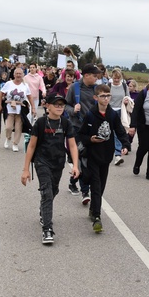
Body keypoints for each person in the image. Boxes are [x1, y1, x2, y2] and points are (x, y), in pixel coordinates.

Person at [21, 93, 80, 244]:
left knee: (53, 191)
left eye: (62, 105)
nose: (60, 107)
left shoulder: (66, 123)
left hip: (58, 162)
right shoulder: (40, 123)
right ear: (48, 106)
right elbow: (32, 146)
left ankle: (43, 210)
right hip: (42, 162)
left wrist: (75, 166)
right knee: (47, 192)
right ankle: (47, 229)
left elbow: (72, 145)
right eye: (56, 104)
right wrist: (26, 169)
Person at [79, 84, 130, 233]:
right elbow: (81, 135)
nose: (106, 99)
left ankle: (94, 207)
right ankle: (97, 217)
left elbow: (120, 131)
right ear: (96, 98)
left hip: (106, 156)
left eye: (108, 96)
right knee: (95, 185)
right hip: (93, 155)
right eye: (103, 96)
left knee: (101, 187)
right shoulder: (90, 115)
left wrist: (125, 145)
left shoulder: (112, 115)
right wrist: (91, 140)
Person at [65, 63, 101, 203]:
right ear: (86, 75)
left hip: (92, 129)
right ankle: (85, 191)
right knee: (82, 159)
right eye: (94, 76)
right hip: (77, 128)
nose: (97, 78)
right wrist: (73, 109)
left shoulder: (97, 89)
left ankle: (73, 181)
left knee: (89, 160)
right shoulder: (74, 88)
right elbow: (65, 105)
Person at [0, 68, 35, 152]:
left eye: (20, 74)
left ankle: (15, 143)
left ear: (22, 75)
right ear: (14, 75)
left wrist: (33, 108)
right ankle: (8, 138)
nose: (18, 75)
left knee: (18, 127)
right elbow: (0, 93)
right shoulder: (9, 84)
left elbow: (29, 96)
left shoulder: (25, 85)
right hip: (9, 108)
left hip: (20, 110)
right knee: (8, 127)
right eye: (16, 73)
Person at [109, 68, 131, 165]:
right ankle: (109, 152)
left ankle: (117, 154)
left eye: (118, 78)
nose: (116, 80)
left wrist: (126, 100)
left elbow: (128, 97)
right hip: (110, 111)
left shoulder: (124, 86)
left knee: (117, 132)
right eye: (115, 78)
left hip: (120, 111)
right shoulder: (108, 86)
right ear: (112, 77)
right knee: (109, 133)